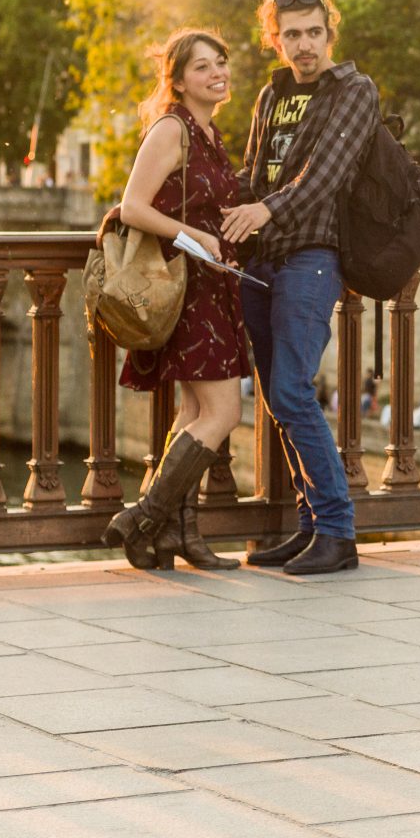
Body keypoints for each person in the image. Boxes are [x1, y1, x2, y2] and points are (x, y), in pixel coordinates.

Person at [220, 0, 379, 576]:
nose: (305, 45)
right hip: (261, 259)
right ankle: (311, 525)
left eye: (315, 32)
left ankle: (338, 531)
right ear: (275, 39)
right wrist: (226, 204)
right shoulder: (271, 95)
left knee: (290, 388)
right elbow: (252, 173)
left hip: (313, 256)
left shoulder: (353, 90)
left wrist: (264, 209)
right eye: (293, 35)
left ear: (329, 31)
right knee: (276, 393)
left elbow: (325, 176)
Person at [103, 30, 252, 571]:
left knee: (193, 410)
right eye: (203, 67)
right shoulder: (172, 129)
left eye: (222, 63)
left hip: (209, 285)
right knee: (225, 410)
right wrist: (199, 237)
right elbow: (131, 207)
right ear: (179, 80)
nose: (218, 74)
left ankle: (176, 538)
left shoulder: (208, 133)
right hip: (185, 287)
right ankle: (141, 516)